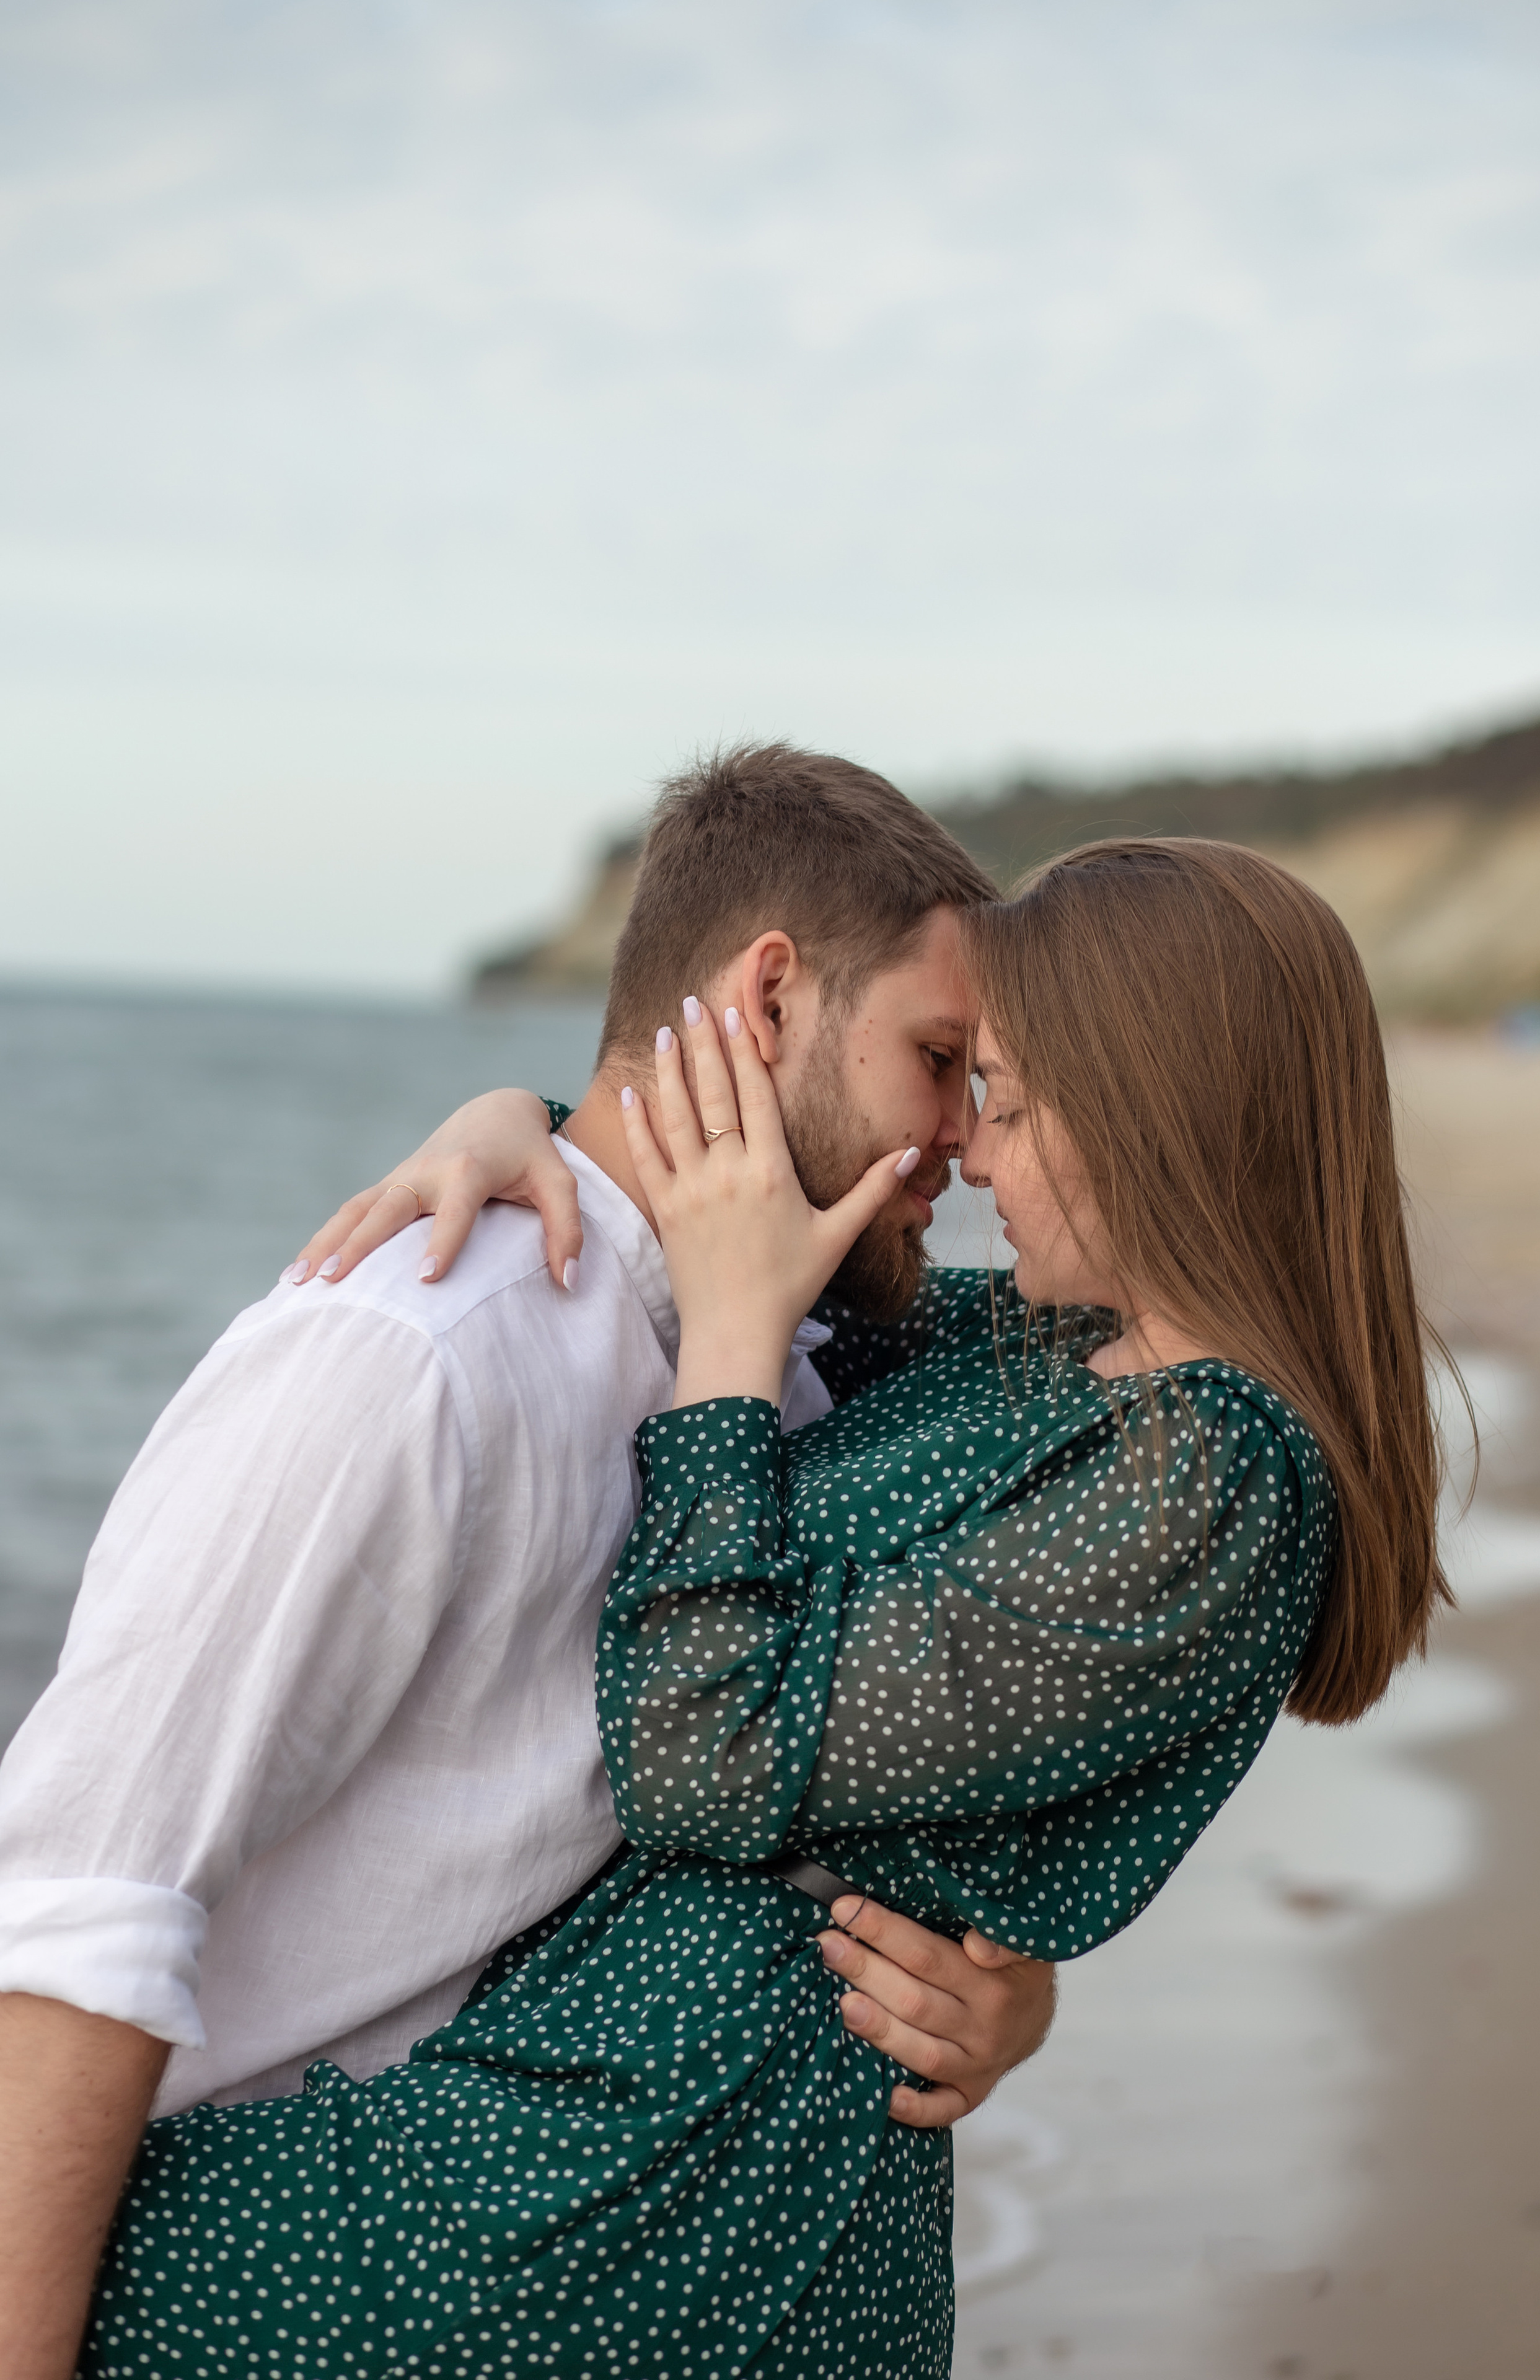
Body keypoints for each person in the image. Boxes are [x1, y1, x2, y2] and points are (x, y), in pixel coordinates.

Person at [81, 835, 1449, 2378]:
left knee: (85, 2241)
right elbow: (798, 1255)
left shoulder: (1213, 1481)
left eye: (1002, 1096)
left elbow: (701, 1755)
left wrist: (729, 1345)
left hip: (656, 2200)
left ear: (1157, 1110)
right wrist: (524, 1124)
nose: (973, 1160)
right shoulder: (1038, 1353)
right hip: (591, 2115)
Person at [0, 746, 1062, 2380]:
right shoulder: (408, 1360)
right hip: (234, 2282)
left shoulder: (796, 1375)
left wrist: (1008, 1992)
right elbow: (77, 1916)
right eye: (939, 1060)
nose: (957, 1144)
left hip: (515, 2277)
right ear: (765, 998)